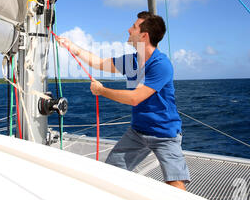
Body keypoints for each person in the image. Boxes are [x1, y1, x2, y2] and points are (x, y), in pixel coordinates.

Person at [55, 11, 190, 190]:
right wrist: (73, 47)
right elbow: (99, 63)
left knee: (175, 182)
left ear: (144, 35)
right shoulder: (133, 61)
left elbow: (135, 98)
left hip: (165, 134)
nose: (128, 29)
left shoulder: (161, 64)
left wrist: (102, 91)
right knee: (112, 171)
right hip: (138, 131)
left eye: (134, 27)